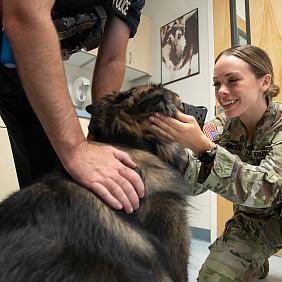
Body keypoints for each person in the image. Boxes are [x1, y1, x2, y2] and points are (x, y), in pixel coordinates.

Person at [149, 45, 282, 281]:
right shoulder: (220, 127)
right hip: (253, 220)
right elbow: (195, 185)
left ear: (264, 82)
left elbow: (269, 190)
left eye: (232, 80)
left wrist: (204, 149)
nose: (222, 91)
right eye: (217, 83)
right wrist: (174, 152)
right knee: (213, 278)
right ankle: (254, 258)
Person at [0, 0, 145, 214]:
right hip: (17, 37)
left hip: (22, 62)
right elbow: (24, 14)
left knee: (51, 179)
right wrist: (76, 148)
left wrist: (98, 131)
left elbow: (112, 59)